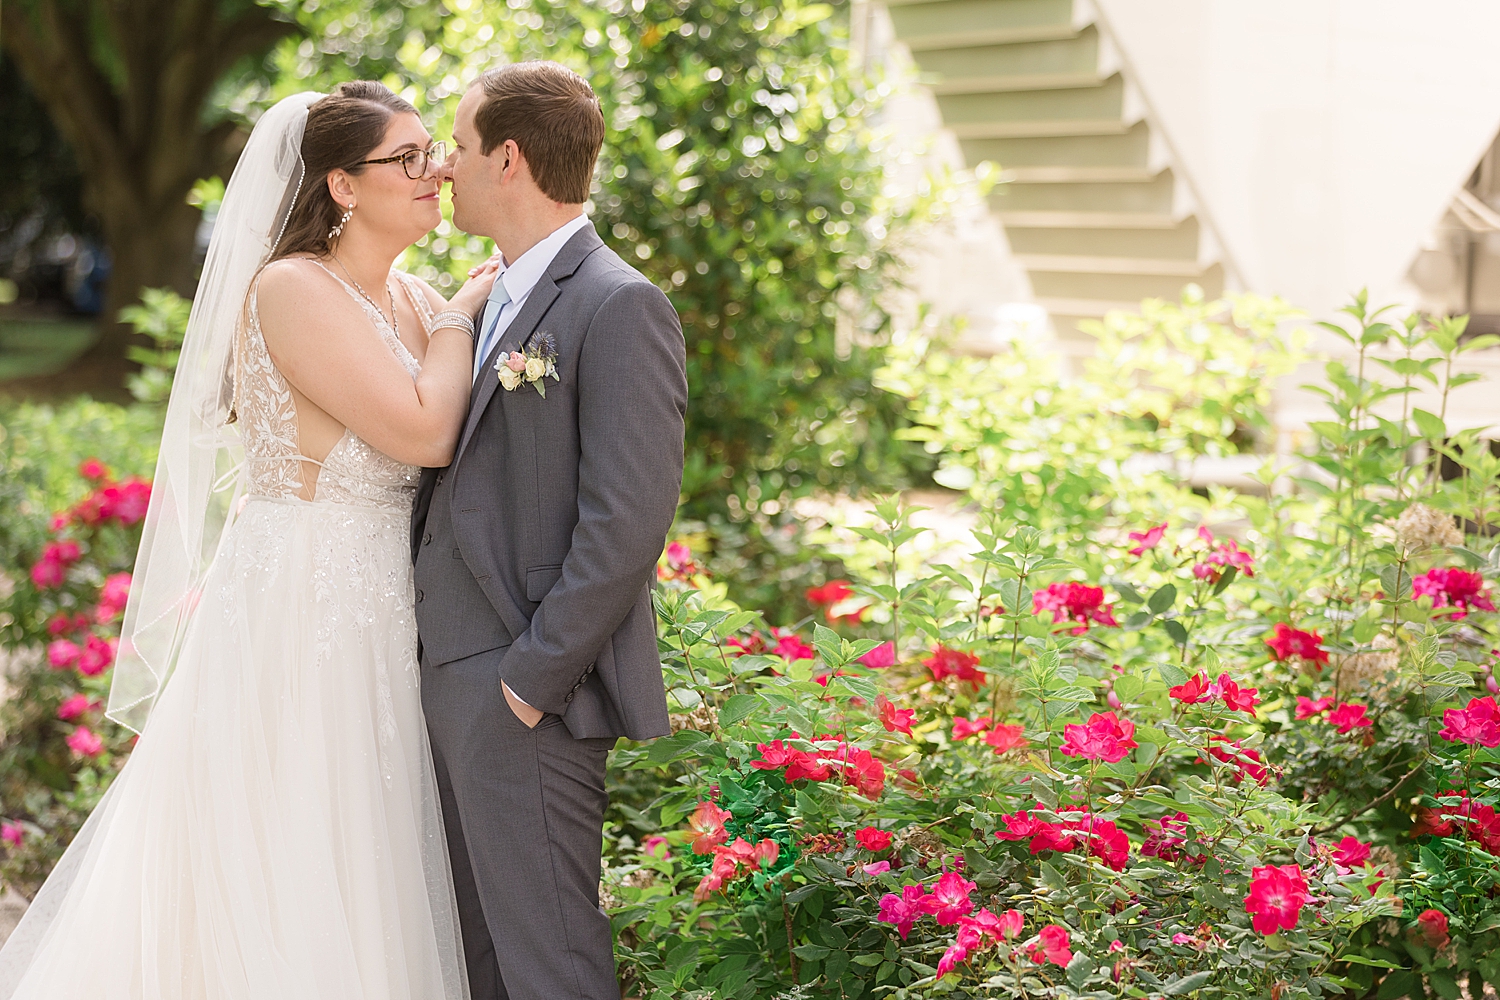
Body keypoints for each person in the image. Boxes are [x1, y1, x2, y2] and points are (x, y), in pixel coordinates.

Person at [0, 82, 496, 999]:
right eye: (409, 157)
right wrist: (470, 313)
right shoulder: (292, 289)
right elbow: (427, 432)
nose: (435, 173)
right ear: (343, 186)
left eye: (435, 152)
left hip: (387, 600)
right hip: (303, 602)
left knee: (371, 842)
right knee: (294, 831)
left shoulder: (416, 296)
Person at [412, 61, 687, 1000]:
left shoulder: (617, 304)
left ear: (510, 158)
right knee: (478, 963)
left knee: (550, 966)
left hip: (523, 695)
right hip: (443, 677)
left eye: (456, 145)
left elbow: (626, 525)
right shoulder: (492, 295)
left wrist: (526, 685)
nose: (444, 168)